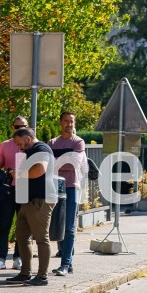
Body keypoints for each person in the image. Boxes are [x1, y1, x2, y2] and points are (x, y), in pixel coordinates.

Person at [5, 128, 55, 286]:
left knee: (41, 238)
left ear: (27, 138)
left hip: (41, 199)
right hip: (28, 200)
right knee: (21, 236)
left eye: (20, 143)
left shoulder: (41, 148)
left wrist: (18, 173)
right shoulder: (30, 151)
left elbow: (40, 169)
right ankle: (25, 273)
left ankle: (42, 276)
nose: (19, 147)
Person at [48, 111, 88, 276]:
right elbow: (47, 164)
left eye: (72, 121)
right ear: (60, 123)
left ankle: (65, 264)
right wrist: (64, 160)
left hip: (71, 187)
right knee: (57, 224)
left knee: (69, 227)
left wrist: (57, 163)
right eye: (66, 121)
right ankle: (68, 263)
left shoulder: (78, 142)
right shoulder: (52, 142)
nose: (69, 124)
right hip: (54, 186)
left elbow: (74, 165)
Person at [0, 116, 28, 271]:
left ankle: (18, 258)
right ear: (12, 127)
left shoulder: (31, 146)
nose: (20, 129)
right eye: (17, 126)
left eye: (24, 126)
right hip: (8, 189)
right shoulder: (5, 145)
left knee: (22, 227)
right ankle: (0, 258)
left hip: (26, 189)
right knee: (5, 224)